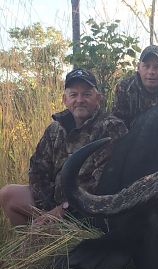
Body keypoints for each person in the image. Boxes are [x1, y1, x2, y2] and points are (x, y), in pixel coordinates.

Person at [0, 68, 128, 226]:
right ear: (65, 100)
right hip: (54, 204)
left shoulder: (112, 128)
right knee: (8, 194)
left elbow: (104, 183)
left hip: (89, 208)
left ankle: (52, 235)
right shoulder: (54, 129)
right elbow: (37, 171)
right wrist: (48, 208)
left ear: (98, 98)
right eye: (74, 95)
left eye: (86, 94)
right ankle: (33, 245)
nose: (80, 100)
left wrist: (63, 209)